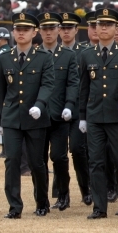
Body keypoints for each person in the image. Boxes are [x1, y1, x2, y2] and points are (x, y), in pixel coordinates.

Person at [77, 7, 118, 219]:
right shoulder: (86, 55)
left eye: (108, 25)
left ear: (116, 29)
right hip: (95, 116)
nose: (103, 28)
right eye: (100, 25)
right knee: (95, 161)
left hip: (117, 115)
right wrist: (82, 116)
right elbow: (83, 88)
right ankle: (99, 207)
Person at [0, 11, 55, 218]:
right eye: (18, 29)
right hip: (12, 117)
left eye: (26, 30)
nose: (21, 33)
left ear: (34, 32)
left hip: (36, 117)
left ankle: (41, 201)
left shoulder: (43, 58)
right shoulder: (4, 59)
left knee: (37, 162)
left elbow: (48, 84)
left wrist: (40, 104)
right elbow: (1, 91)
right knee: (11, 160)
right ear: (13, 32)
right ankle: (14, 206)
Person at [37, 11, 81, 211]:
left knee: (58, 156)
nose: (48, 33)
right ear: (39, 31)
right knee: (38, 160)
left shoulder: (68, 55)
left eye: (52, 29)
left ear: (58, 30)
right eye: (44, 29)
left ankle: (63, 194)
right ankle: (42, 199)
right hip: (37, 116)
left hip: (59, 115)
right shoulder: (34, 55)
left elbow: (73, 83)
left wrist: (70, 105)